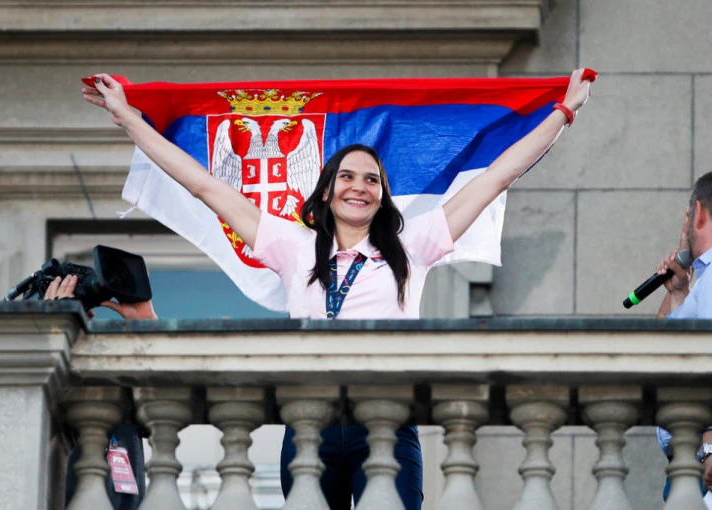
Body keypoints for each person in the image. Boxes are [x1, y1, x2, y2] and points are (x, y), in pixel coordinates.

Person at [81, 69, 592, 509]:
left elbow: (495, 178)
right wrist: (129, 119)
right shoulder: (292, 246)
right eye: (347, 176)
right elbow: (203, 185)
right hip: (309, 425)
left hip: (387, 424)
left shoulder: (412, 246)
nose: (359, 186)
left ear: (382, 197)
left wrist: (563, 114)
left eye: (372, 180)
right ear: (327, 190)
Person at [45, 275, 156, 510]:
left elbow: (164, 402)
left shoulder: (126, 388)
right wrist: (53, 330)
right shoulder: (52, 388)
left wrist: (148, 326)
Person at [655, 171, 712, 506]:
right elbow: (658, 351)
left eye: (688, 216)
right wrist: (677, 292)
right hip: (689, 461)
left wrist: (710, 444)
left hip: (703, 459)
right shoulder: (702, 277)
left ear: (699, 213)